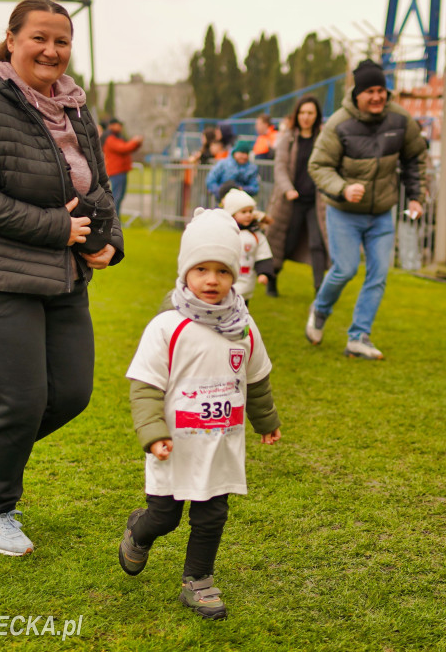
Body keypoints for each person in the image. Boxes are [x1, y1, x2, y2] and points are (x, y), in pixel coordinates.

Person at [0, 0, 123, 556]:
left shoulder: (75, 108)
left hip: (63, 275)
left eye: (62, 41)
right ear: (13, 39)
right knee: (20, 400)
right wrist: (56, 228)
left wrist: (110, 244)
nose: (51, 50)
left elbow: (99, 189)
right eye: (39, 38)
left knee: (70, 394)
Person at [119, 207, 281, 620]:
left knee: (211, 517)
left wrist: (266, 422)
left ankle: (199, 583)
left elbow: (257, 379)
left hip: (221, 445)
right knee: (165, 517)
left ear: (235, 276)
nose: (212, 280)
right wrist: (153, 433)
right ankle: (139, 532)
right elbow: (145, 386)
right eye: (202, 269)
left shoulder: (244, 327)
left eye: (222, 271)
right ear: (185, 272)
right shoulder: (167, 326)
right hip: (173, 446)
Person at [305, 58, 426, 360]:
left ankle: (359, 337)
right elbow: (319, 165)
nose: (376, 96)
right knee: (344, 269)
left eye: (381, 90)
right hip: (344, 212)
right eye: (369, 90)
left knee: (379, 273)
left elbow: (415, 157)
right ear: (356, 94)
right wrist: (343, 187)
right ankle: (320, 311)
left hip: (382, 211)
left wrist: (415, 196)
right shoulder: (338, 124)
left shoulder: (400, 120)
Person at [266, 95, 329, 297]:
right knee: (285, 241)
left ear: (317, 115)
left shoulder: (324, 138)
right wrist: (288, 189)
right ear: (297, 115)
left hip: (315, 201)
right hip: (291, 200)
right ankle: (272, 278)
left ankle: (320, 289)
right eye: (302, 112)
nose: (306, 117)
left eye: (310, 113)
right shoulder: (288, 138)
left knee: (317, 243)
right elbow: (280, 167)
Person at [222, 189, 274, 306]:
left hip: (246, 283)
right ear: (232, 213)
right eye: (244, 212)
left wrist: (264, 273)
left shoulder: (256, 235)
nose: (248, 215)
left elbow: (263, 254)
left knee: (242, 313)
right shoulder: (226, 232)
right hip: (225, 282)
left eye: (250, 211)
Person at [102, 117, 143, 216]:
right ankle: (114, 219)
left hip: (120, 171)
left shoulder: (117, 137)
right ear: (112, 125)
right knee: (117, 196)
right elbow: (123, 148)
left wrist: (136, 144)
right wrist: (135, 141)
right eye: (118, 125)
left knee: (119, 196)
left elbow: (128, 148)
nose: (120, 127)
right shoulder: (110, 138)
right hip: (116, 171)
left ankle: (116, 219)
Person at [206, 139, 259, 203]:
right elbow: (210, 180)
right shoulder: (223, 164)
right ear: (235, 153)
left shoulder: (251, 168)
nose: (244, 156)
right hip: (222, 202)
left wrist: (241, 189)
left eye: (246, 153)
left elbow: (255, 187)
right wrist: (221, 191)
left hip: (242, 203)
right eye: (242, 153)